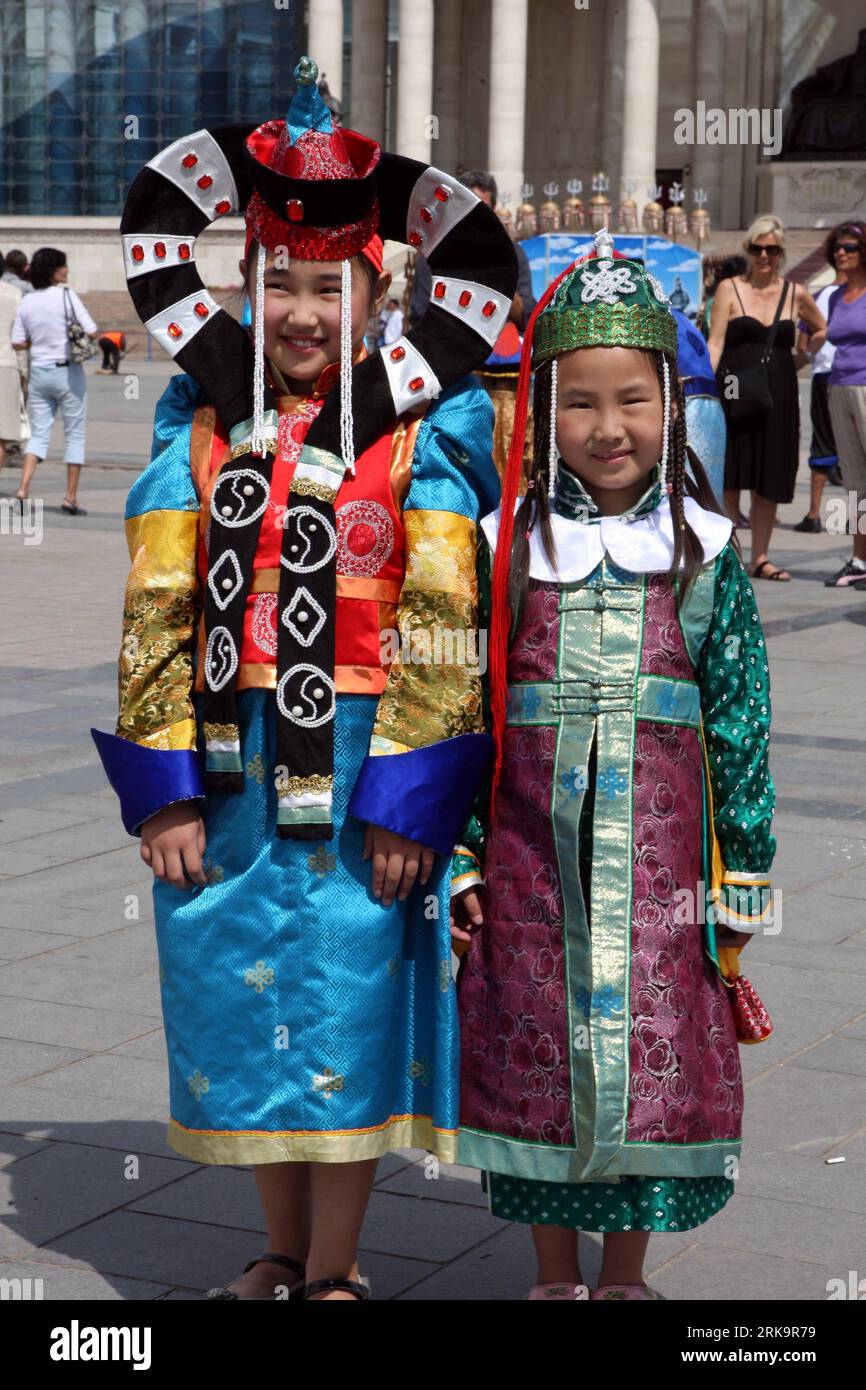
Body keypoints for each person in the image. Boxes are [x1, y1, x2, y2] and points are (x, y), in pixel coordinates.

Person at [91, 56, 517, 1302]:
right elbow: (160, 599)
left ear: (371, 295)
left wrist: (412, 799)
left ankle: (333, 1264)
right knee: (234, 994)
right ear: (243, 286)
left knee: (342, 1004)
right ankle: (276, 1248)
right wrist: (158, 785)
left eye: (327, 287)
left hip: (363, 766)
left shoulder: (418, 428)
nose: (299, 312)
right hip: (226, 767)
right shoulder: (202, 420)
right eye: (280, 285)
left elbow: (444, 610)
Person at [454, 231, 776, 1301]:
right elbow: (471, 712)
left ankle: (626, 1274)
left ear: (672, 405)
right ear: (542, 413)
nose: (605, 428)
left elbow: (737, 718)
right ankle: (550, 1274)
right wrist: (462, 860)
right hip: (528, 871)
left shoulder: (703, 552)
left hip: (662, 885)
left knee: (653, 1054)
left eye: (630, 399)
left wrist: (744, 877)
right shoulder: (509, 547)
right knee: (534, 1050)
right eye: (578, 403)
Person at [708, 215, 826, 580]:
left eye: (771, 249)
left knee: (768, 470)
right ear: (748, 249)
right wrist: (703, 388)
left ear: (780, 253)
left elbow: (820, 328)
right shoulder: (729, 288)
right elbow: (715, 342)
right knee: (731, 469)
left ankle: (760, 556)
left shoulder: (796, 293)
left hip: (779, 387)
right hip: (733, 385)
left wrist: (804, 354)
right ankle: (729, 555)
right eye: (757, 248)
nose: (764, 255)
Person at [410, 169, 537, 481]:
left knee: (510, 468)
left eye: (485, 208)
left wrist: (505, 297)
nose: (479, 217)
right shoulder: (433, 254)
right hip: (455, 376)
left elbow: (530, 313)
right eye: (471, 206)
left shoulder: (513, 253)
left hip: (504, 382)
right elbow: (419, 313)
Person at [10, 246, 98, 515]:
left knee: (38, 435)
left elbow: (17, 341)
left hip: (39, 372)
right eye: (63, 266)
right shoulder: (66, 296)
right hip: (68, 372)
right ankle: (70, 497)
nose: (67, 270)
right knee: (75, 434)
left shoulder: (27, 300)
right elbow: (92, 331)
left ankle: (23, 489)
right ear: (53, 271)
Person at [793, 231, 849, 534]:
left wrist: (809, 354)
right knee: (855, 454)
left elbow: (803, 344)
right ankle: (851, 521)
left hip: (825, 374)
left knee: (824, 444)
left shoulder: (821, 296)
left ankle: (815, 514)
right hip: (853, 377)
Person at [822, 221, 866, 588]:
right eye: (838, 246)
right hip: (839, 387)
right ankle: (859, 558)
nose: (841, 252)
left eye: (850, 247)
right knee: (854, 480)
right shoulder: (836, 296)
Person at [0, 252, 29, 486]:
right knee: (1, 438)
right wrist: (24, 373)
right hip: (6, 366)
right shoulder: (14, 294)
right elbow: (19, 341)